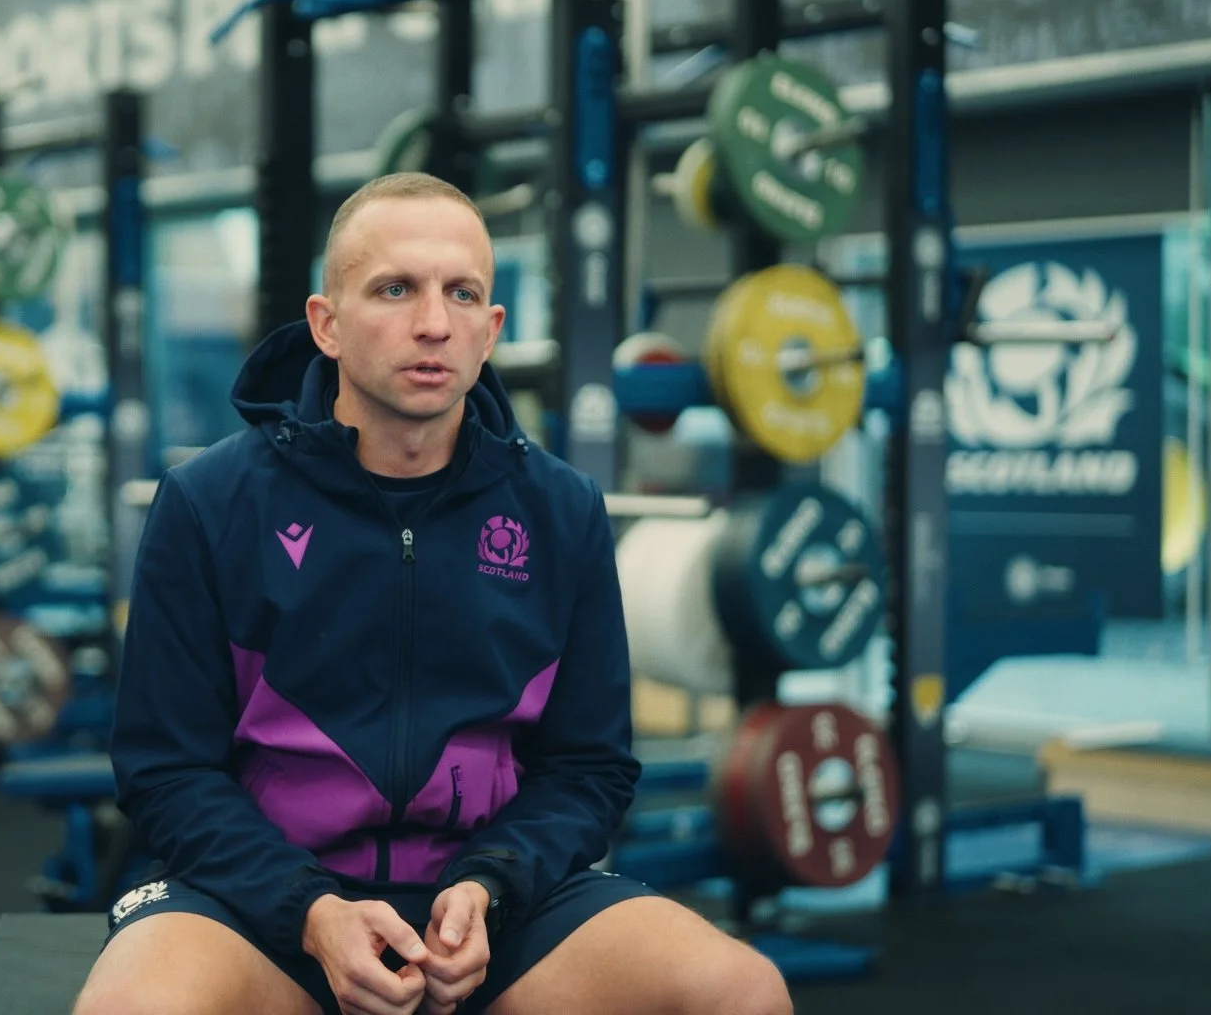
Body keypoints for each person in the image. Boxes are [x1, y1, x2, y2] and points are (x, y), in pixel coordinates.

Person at [73, 173, 793, 1015]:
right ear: (326, 324)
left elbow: (591, 768)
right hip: (264, 907)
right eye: (395, 289)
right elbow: (165, 771)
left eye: (462, 294)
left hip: (491, 915)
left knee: (743, 992)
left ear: (490, 332)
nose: (431, 323)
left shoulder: (561, 511)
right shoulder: (208, 504)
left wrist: (490, 885)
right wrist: (310, 911)